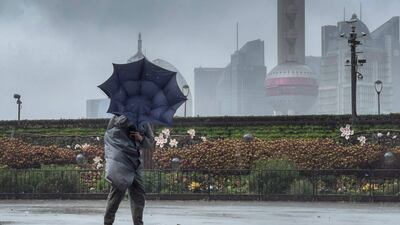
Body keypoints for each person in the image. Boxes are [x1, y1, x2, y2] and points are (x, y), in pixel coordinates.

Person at [103, 115, 154, 225]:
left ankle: (138, 223)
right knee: (116, 195)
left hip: (136, 163)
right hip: (121, 161)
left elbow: (150, 142)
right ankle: (107, 222)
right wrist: (128, 119)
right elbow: (110, 135)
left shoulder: (145, 121)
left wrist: (141, 138)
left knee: (138, 195)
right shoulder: (116, 117)